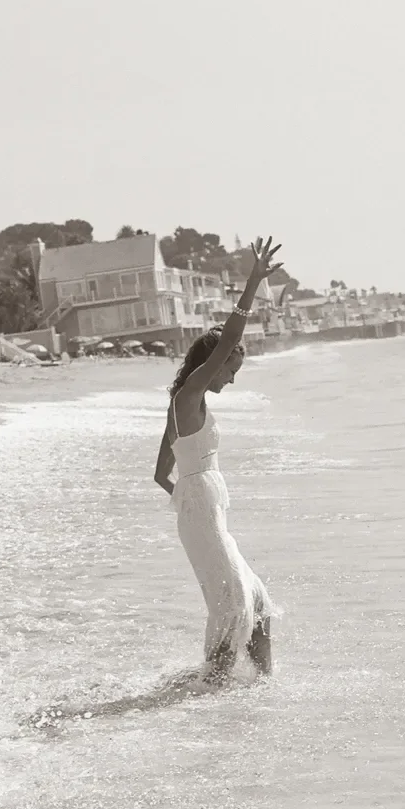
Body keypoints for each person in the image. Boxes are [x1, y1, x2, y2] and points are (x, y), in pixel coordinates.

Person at [153, 237, 284, 679]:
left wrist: (189, 495)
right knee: (235, 607)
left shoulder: (182, 404)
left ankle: (265, 688)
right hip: (204, 522)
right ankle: (210, 693)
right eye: (230, 369)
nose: (230, 378)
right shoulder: (190, 394)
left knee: (258, 605)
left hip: (206, 518)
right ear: (213, 363)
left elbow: (159, 473)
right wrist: (252, 281)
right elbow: (230, 336)